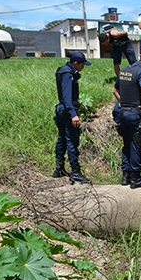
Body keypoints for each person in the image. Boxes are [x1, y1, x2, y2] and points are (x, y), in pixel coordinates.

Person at [113, 53, 141, 188]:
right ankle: (136, 178)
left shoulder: (124, 71)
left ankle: (125, 176)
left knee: (126, 144)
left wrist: (124, 102)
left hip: (123, 113)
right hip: (135, 115)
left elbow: (115, 90)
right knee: (136, 146)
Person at [53, 51, 91, 184]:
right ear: (76, 63)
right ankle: (75, 171)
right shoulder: (68, 74)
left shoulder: (62, 70)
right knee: (72, 141)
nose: (83, 67)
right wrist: (73, 114)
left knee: (62, 139)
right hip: (68, 110)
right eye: (82, 64)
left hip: (61, 109)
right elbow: (67, 97)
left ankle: (59, 168)